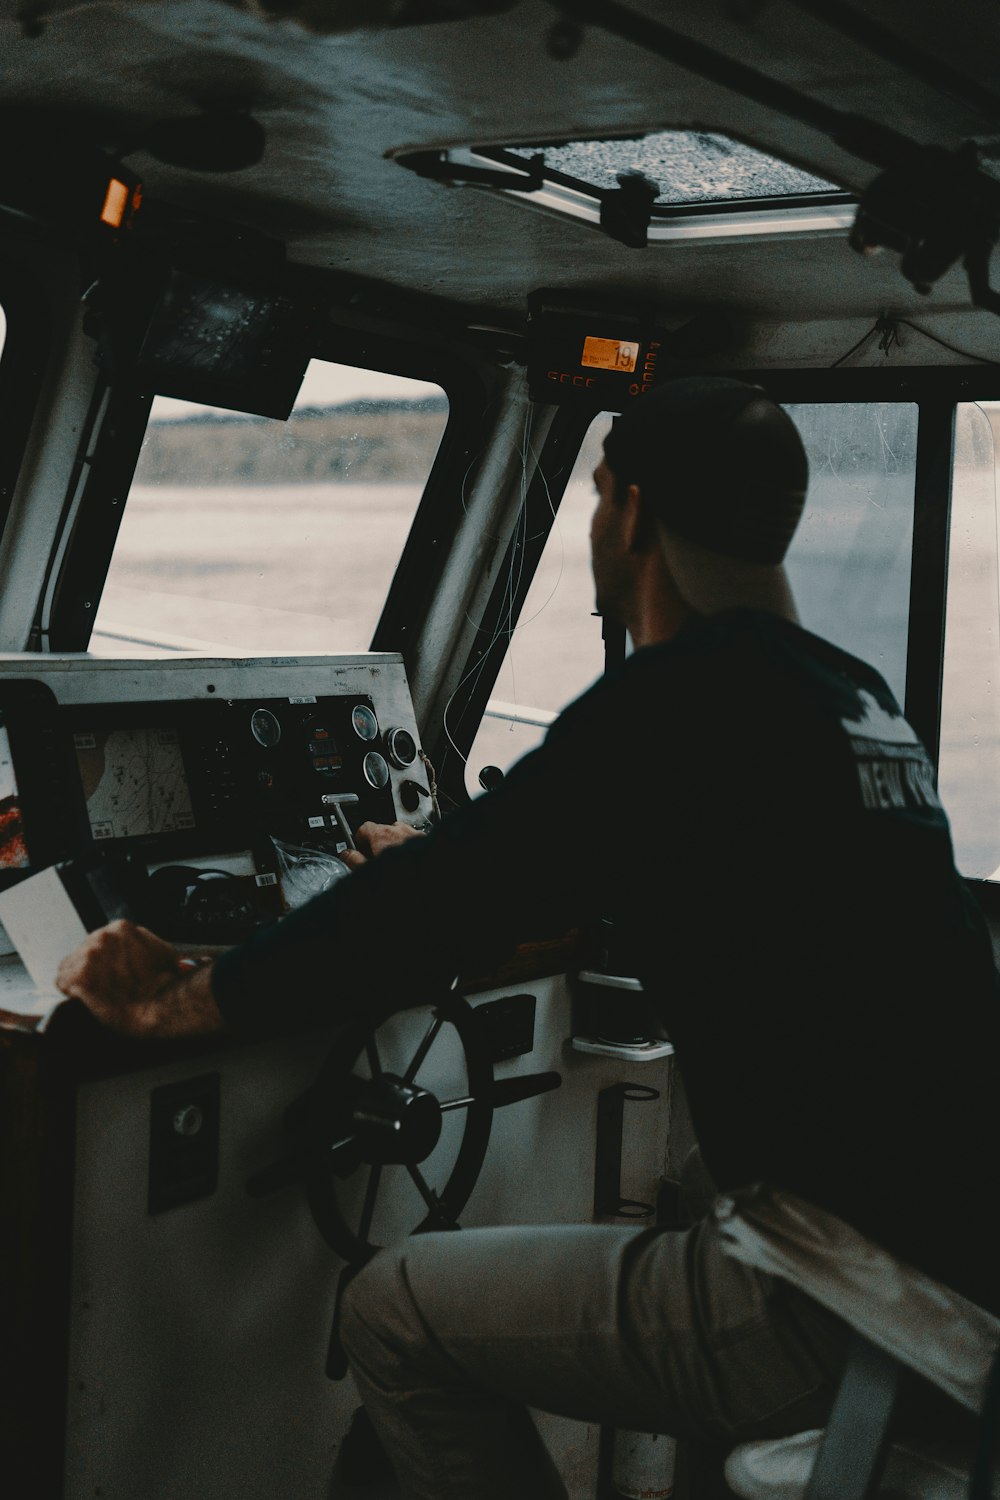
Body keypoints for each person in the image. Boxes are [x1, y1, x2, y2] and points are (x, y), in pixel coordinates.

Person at [56, 377, 1000, 1498]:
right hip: (959, 1258)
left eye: (597, 497)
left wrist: (187, 1003)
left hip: (844, 1300)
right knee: (697, 1180)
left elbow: (415, 924)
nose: (595, 526)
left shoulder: (673, 701)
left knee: (391, 1308)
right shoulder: (851, 697)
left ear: (632, 515)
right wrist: (474, 875)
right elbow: (749, 888)